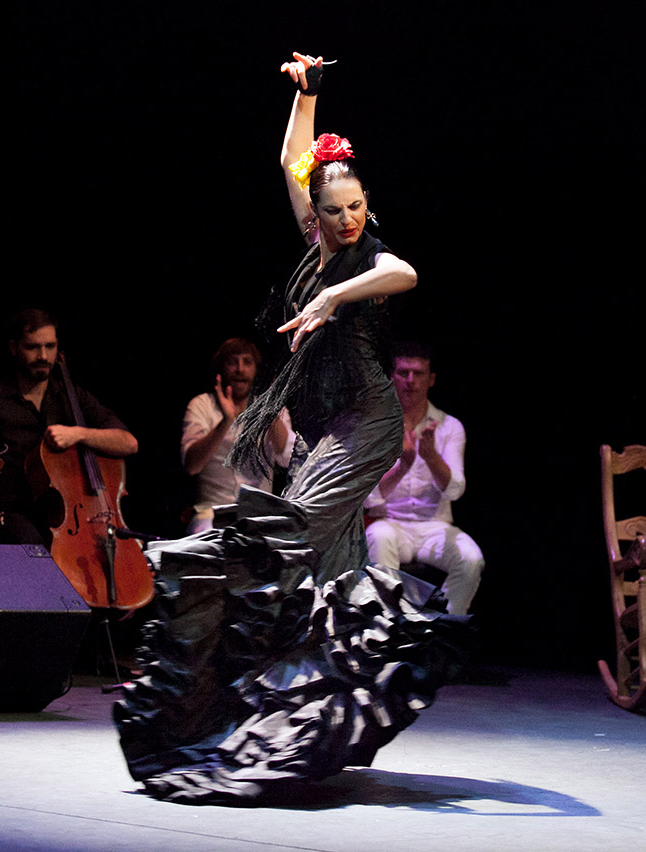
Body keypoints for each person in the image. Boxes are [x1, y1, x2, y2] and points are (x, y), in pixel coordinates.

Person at [114, 52, 473, 805]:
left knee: (280, 538)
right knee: (333, 580)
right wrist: (307, 94)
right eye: (332, 209)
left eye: (354, 206)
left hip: (364, 422)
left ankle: (224, 695)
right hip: (316, 425)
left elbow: (405, 273)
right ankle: (311, 724)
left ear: (366, 204)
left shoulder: (368, 258)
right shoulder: (314, 239)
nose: (344, 219)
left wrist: (335, 297)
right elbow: (291, 161)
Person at [0, 308, 139, 546]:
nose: (43, 356)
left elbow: (129, 443)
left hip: (71, 516)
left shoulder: (73, 397)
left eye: (50, 346)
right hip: (12, 516)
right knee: (27, 540)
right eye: (32, 347)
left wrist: (79, 434)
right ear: (14, 348)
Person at [365, 341, 484, 615]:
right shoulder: (377, 426)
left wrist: (431, 458)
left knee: (471, 559)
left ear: (431, 379)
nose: (411, 381)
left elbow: (455, 490)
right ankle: (387, 627)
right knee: (378, 537)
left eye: (418, 373)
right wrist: (403, 465)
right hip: (390, 523)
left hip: (434, 526)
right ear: (392, 377)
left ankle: (443, 629)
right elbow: (369, 499)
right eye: (403, 373)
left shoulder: (449, 426)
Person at [180, 337, 294, 534]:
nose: (240, 369)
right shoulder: (202, 405)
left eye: (247, 362)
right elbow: (192, 466)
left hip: (259, 515)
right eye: (233, 362)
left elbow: (287, 459)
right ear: (221, 368)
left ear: (256, 370)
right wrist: (225, 422)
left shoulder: (274, 410)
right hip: (211, 514)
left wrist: (270, 410)